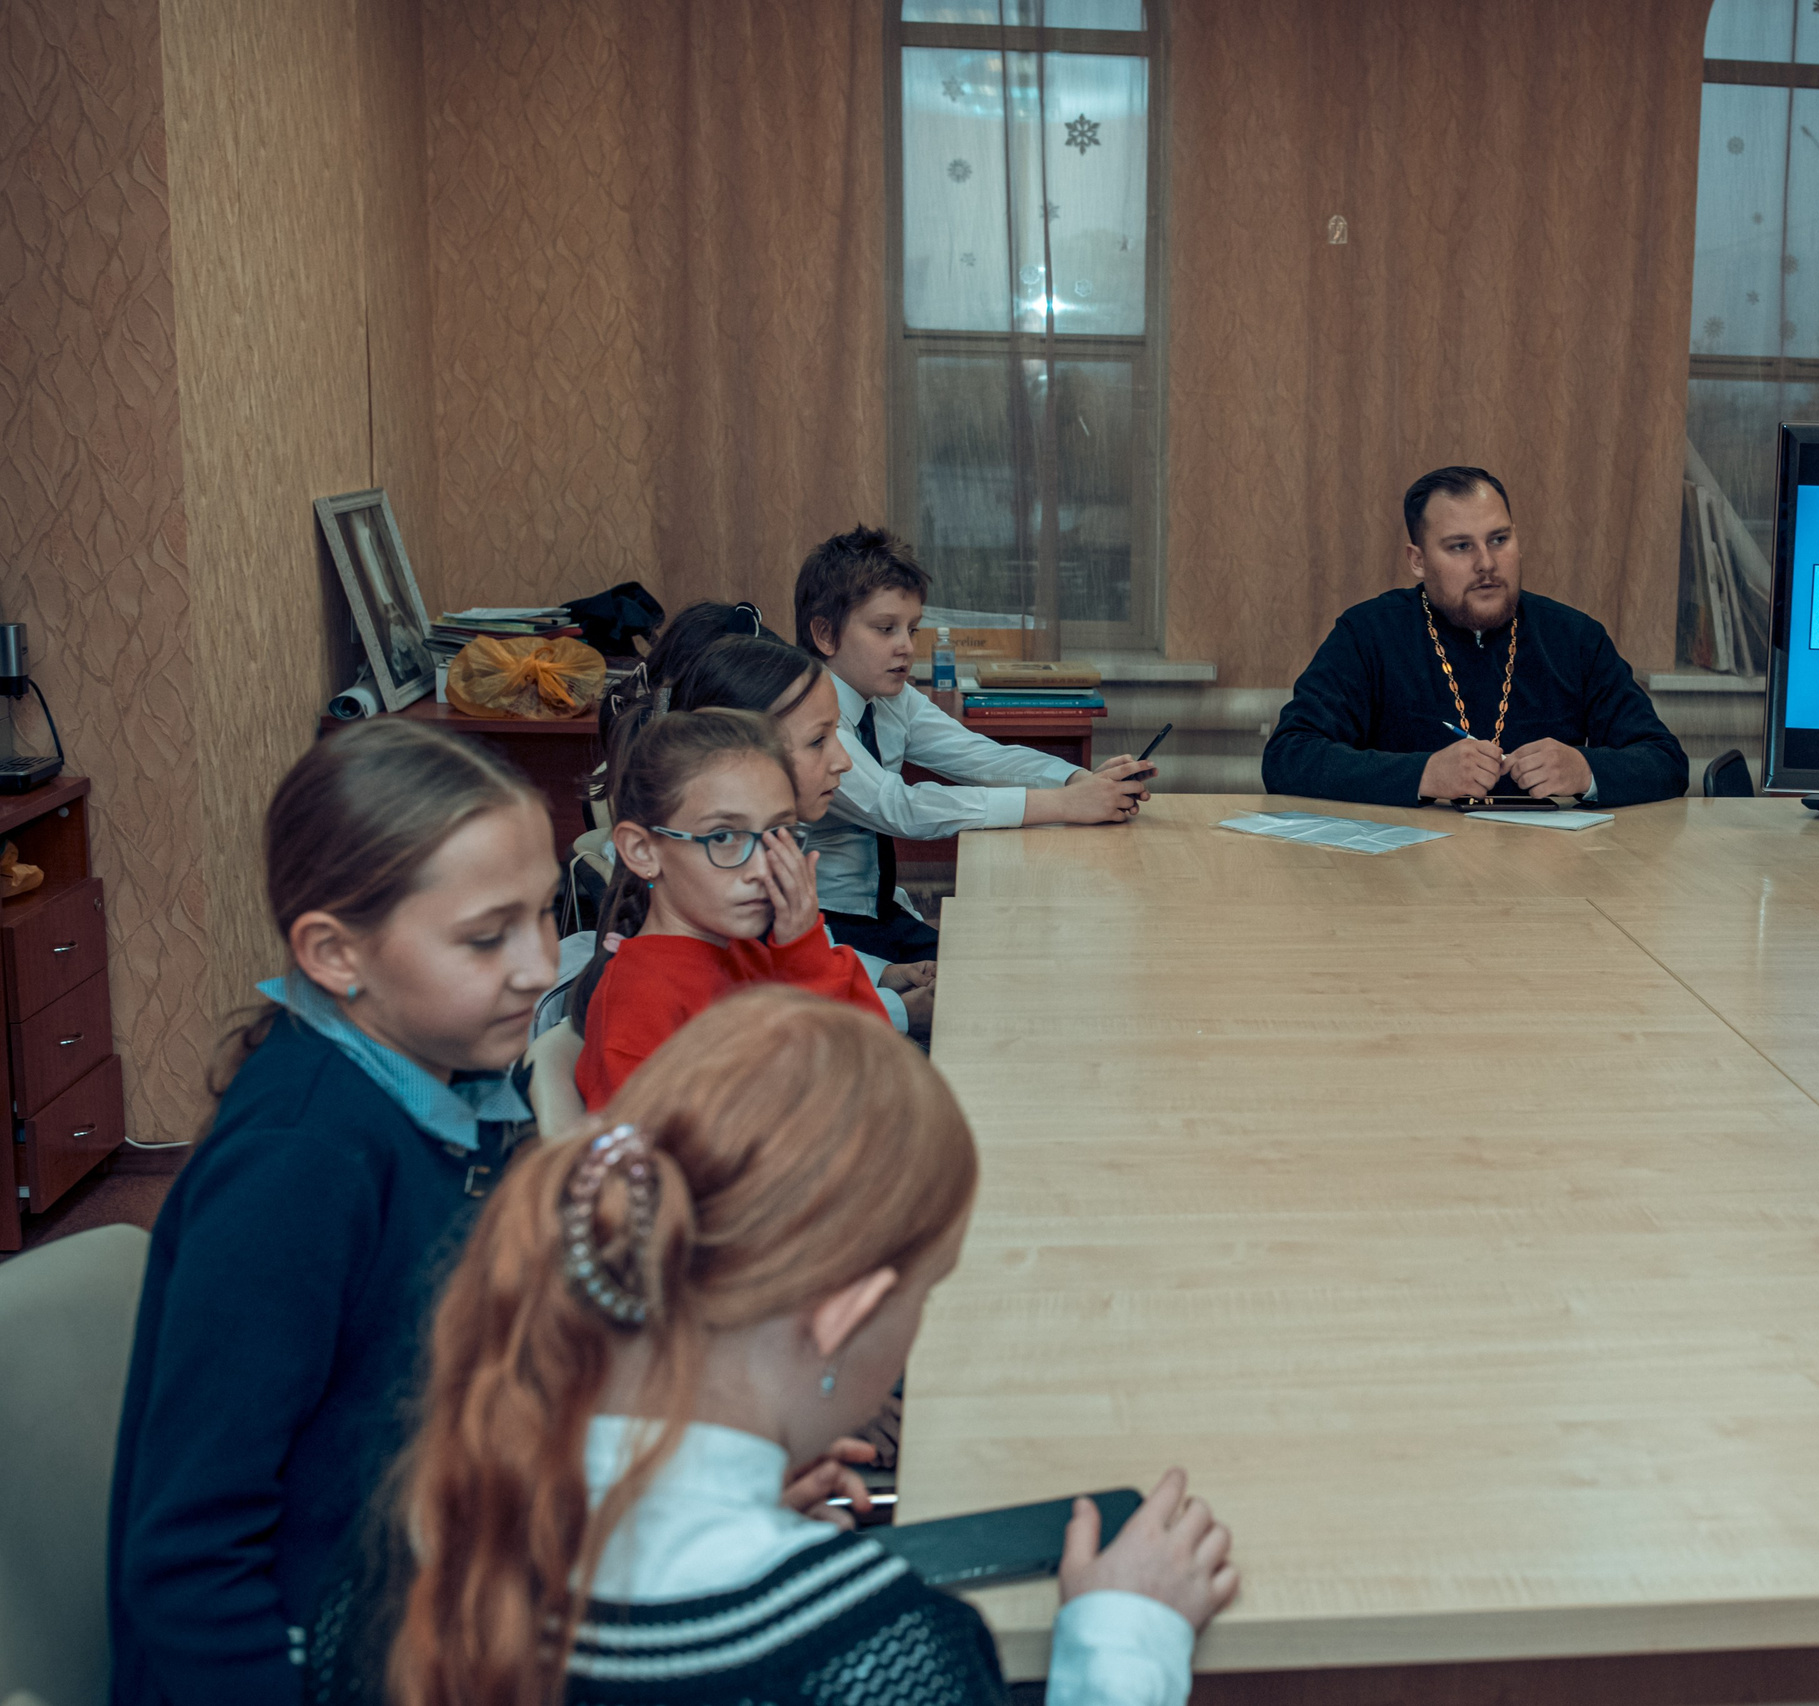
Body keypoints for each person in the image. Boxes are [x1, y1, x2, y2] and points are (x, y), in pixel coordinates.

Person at [373, 987, 1236, 1705]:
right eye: (925, 1294)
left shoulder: (421, 1542)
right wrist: (1124, 1643)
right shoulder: (876, 1647)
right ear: (846, 1315)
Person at [109, 722, 559, 1706]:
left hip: (438, 1613)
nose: (538, 965)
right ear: (332, 951)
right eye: (488, 936)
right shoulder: (301, 1163)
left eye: (545, 914)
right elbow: (189, 1555)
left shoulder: (463, 1086)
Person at [795, 526, 1154, 963]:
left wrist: (1078, 779)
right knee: (988, 978)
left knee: (1007, 962)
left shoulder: (893, 699)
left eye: (912, 629)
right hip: (823, 926)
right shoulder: (806, 718)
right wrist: (1065, 805)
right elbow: (899, 808)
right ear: (825, 634)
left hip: (882, 912)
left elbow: (980, 756)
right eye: (885, 629)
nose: (906, 647)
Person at [1261, 466, 1689, 808]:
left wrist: (1586, 769)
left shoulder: (1574, 638)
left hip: (1548, 883)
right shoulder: (1368, 634)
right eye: (1461, 547)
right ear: (1418, 560)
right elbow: (1288, 756)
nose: (1487, 563)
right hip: (1403, 881)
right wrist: (1423, 775)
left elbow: (1666, 761)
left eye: (1499, 540)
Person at [570, 709, 890, 1104]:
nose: (761, 868)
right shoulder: (638, 1001)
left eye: (779, 833)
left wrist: (806, 951)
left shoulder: (755, 954)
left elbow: (878, 1067)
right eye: (723, 836)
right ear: (642, 851)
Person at [669, 633, 938, 1040]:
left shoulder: (773, 855)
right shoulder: (726, 894)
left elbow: (810, 963)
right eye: (818, 741)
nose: (843, 761)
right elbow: (775, 1015)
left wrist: (885, 974)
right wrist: (900, 1012)